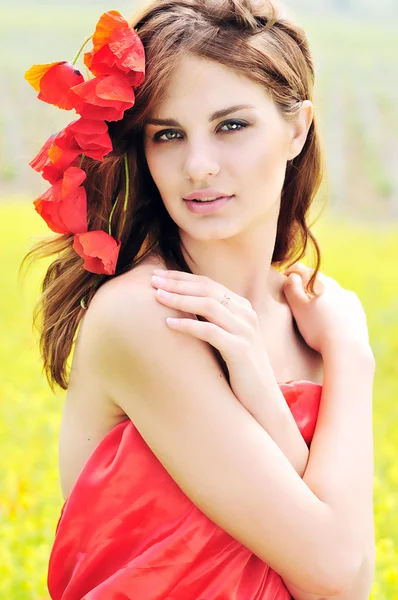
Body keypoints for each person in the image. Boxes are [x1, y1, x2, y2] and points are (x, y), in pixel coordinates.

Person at [24, 0, 375, 598]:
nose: (200, 166)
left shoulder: (305, 318)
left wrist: (271, 387)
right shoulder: (148, 314)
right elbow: (339, 578)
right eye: (169, 134)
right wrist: (351, 356)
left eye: (231, 125)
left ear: (297, 128)